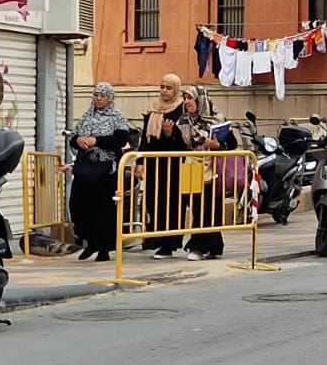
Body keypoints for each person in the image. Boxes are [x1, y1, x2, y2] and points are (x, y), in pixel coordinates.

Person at [66, 83, 131, 262]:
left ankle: (103, 249)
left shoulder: (117, 116)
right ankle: (90, 243)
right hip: (86, 168)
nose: (99, 98)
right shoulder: (87, 116)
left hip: (106, 170)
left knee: (104, 211)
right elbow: (73, 137)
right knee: (79, 207)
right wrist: (78, 140)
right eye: (96, 94)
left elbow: (120, 139)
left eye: (103, 95)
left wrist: (97, 141)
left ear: (110, 98)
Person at [178, 85, 236, 261]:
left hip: (212, 168)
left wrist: (218, 146)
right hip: (191, 166)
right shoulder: (183, 121)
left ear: (200, 100)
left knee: (212, 208)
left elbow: (232, 143)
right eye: (185, 98)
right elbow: (179, 145)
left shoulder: (217, 119)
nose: (187, 102)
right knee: (196, 206)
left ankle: (199, 246)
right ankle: (210, 246)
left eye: (190, 98)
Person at [139, 73, 188, 259]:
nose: (164, 91)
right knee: (152, 201)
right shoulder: (153, 108)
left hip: (173, 166)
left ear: (176, 89)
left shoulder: (181, 110)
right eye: (162, 87)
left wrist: (170, 134)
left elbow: (183, 143)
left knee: (172, 204)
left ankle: (170, 244)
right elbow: (145, 139)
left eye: (168, 88)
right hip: (154, 164)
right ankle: (155, 239)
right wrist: (139, 162)